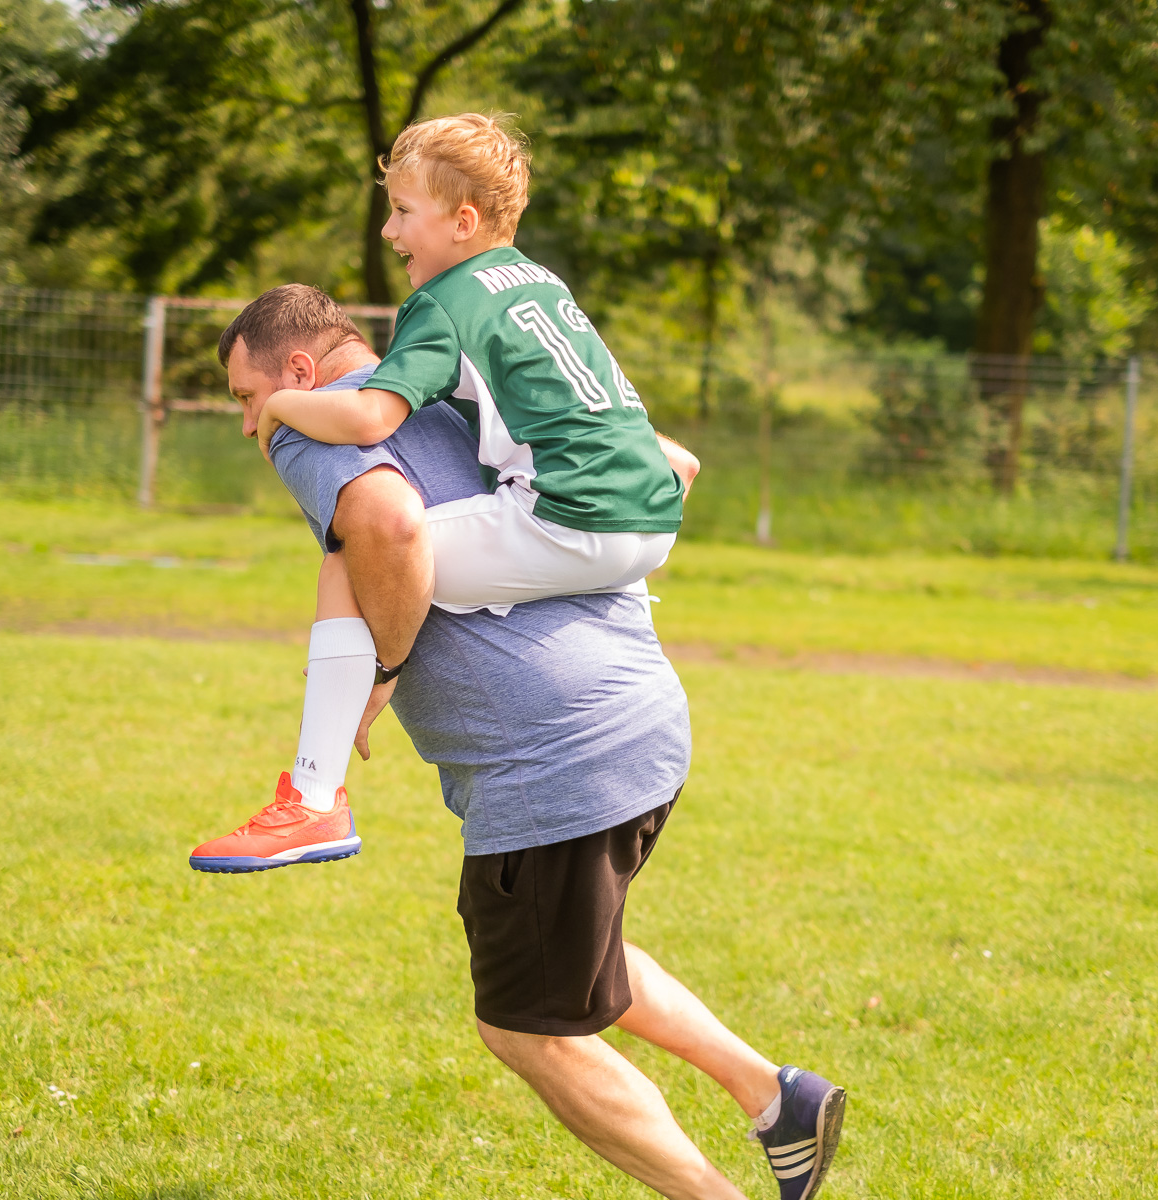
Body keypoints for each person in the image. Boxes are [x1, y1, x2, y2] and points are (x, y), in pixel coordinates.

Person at [198, 286, 846, 1200]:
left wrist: (385, 667)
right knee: (575, 954)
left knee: (526, 1026)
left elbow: (387, 523)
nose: (247, 424)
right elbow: (665, 463)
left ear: (299, 372)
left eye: (245, 397)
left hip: (550, 760)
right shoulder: (469, 389)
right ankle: (776, 1096)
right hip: (643, 722)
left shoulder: (306, 425)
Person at [194, 113, 686, 867]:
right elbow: (665, 454)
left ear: (463, 222)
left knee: (354, 556)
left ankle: (314, 799)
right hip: (653, 519)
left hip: (569, 522)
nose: (388, 231)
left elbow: (371, 423)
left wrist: (282, 407)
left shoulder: (444, 303)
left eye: (402, 211)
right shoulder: (540, 283)